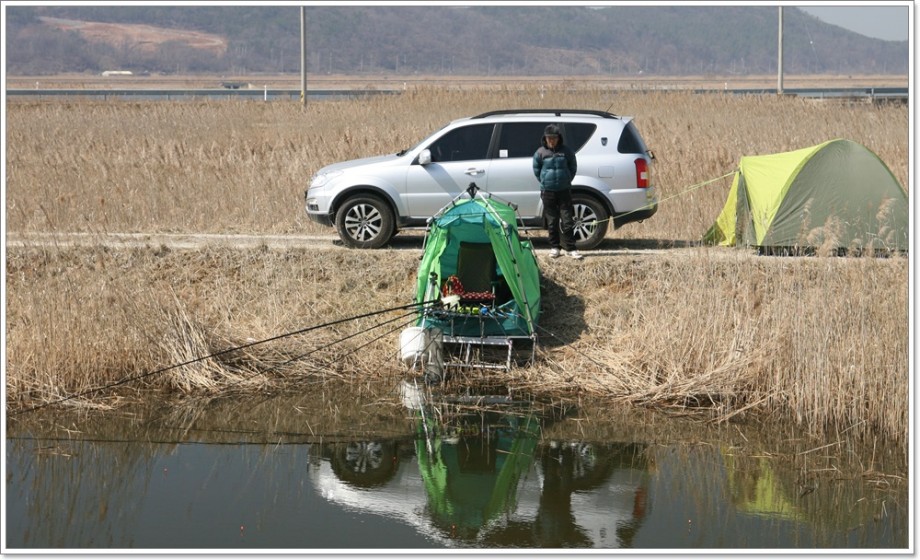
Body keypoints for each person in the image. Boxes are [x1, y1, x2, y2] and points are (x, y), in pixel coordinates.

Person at [533, 124, 583, 260]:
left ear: (558, 138)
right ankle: (555, 247)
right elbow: (537, 170)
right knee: (552, 221)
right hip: (547, 191)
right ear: (545, 138)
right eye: (549, 138)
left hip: (564, 190)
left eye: (554, 138)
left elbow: (573, 167)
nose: (551, 140)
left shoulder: (567, 152)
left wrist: (567, 179)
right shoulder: (540, 152)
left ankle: (571, 248)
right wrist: (545, 181)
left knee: (567, 220)